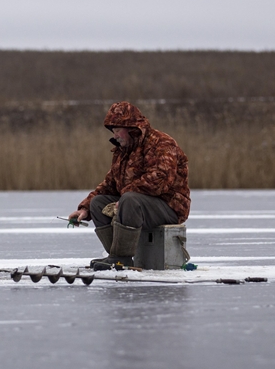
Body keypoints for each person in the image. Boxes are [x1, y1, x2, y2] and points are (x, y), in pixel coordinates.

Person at [68, 101, 190, 270]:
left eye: (118, 130)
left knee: (129, 199)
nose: (115, 135)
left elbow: (159, 181)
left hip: (169, 208)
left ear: (133, 128)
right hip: (135, 205)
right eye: (113, 131)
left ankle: (121, 259)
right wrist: (85, 208)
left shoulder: (161, 143)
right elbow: (109, 184)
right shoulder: (122, 151)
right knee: (98, 203)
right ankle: (115, 256)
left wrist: (124, 198)